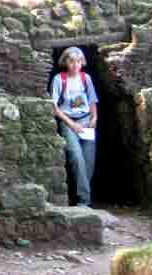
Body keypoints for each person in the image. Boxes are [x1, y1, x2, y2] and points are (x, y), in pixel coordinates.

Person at [50, 46, 99, 207]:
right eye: (71, 61)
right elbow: (54, 107)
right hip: (68, 122)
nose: (75, 65)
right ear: (65, 62)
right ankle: (84, 201)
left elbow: (92, 100)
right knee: (76, 158)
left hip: (86, 122)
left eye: (78, 61)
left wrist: (94, 118)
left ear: (82, 62)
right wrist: (71, 124)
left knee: (88, 162)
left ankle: (80, 196)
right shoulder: (59, 79)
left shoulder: (86, 78)